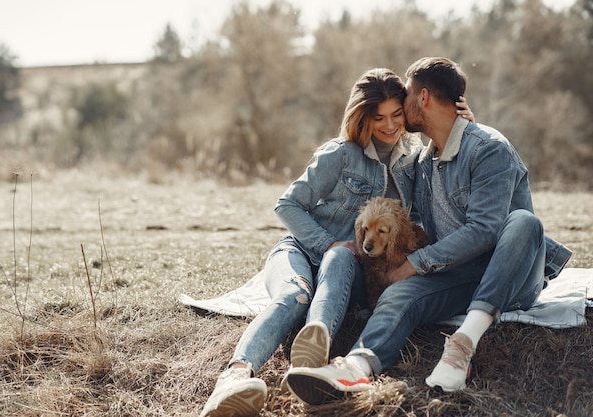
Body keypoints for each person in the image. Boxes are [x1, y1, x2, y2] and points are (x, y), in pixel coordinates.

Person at [284, 57, 572, 404]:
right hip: (457, 275)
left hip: (511, 275)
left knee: (525, 221)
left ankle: (461, 347)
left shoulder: (490, 148)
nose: (400, 109)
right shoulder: (423, 161)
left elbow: (484, 230)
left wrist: (416, 263)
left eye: (404, 97)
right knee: (397, 295)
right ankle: (355, 367)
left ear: (422, 98)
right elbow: (407, 217)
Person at [198, 67, 475, 417]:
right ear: (363, 117)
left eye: (396, 115)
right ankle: (234, 379)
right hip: (302, 252)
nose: (389, 126)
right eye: (378, 118)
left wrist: (462, 126)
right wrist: (327, 242)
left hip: (351, 268)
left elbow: (440, 190)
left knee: (344, 257)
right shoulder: (340, 154)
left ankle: (313, 357)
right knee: (294, 294)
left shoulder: (414, 160)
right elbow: (287, 205)